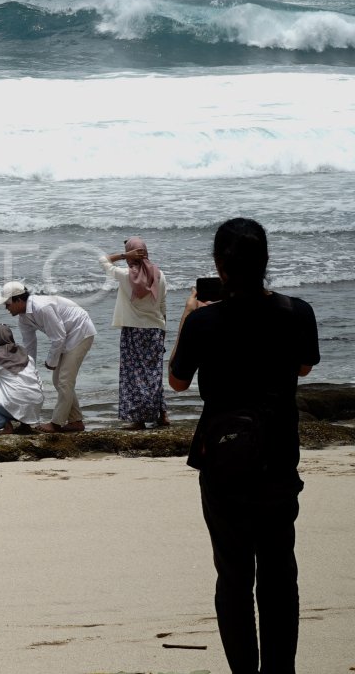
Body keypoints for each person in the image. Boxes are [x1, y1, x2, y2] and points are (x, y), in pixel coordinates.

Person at [169, 218, 319, 674]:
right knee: (279, 574)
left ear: (220, 267)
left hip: (224, 458)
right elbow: (303, 369)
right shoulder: (297, 312)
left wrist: (187, 318)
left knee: (233, 576)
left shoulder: (205, 321)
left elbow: (177, 382)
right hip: (277, 456)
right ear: (265, 262)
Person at [0, 281, 96, 433]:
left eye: (7, 304)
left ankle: (56, 423)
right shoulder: (23, 318)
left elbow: (59, 337)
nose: (6, 308)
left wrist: (51, 361)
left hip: (80, 332)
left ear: (19, 300)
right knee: (59, 381)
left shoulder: (42, 307)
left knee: (64, 381)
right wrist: (27, 369)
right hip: (66, 337)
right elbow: (29, 345)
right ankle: (76, 422)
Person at [100, 237, 169, 430]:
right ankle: (162, 414)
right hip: (156, 329)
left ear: (132, 254)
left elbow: (103, 260)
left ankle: (139, 419)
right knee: (154, 373)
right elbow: (163, 306)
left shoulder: (125, 275)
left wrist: (123, 256)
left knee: (134, 375)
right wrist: (163, 329)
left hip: (133, 330)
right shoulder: (160, 275)